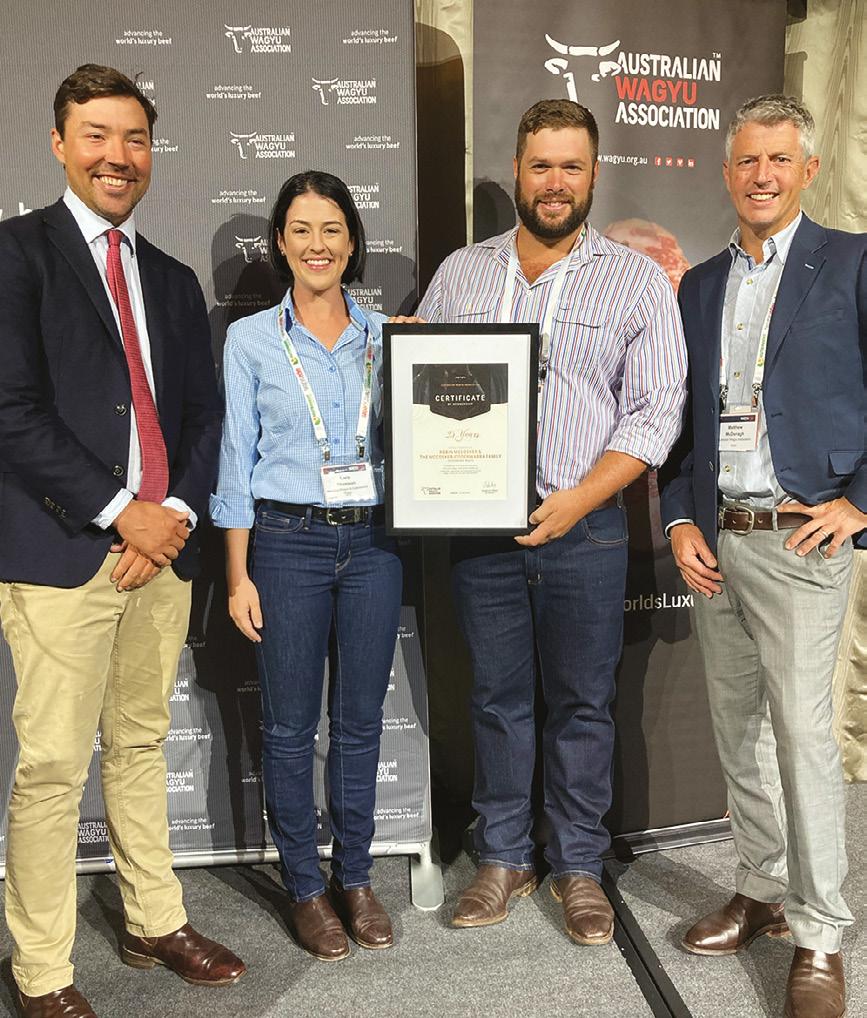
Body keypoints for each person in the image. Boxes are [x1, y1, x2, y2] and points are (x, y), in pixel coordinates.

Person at [0, 65, 245, 1018]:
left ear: (152, 152)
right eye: (97, 135)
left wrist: (170, 512)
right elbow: (11, 412)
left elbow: (202, 419)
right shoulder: (16, 254)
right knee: (54, 769)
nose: (118, 155)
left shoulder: (173, 281)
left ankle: (154, 919)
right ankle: (41, 969)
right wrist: (118, 510)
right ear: (60, 144)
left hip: (162, 553)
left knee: (140, 744)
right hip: (63, 553)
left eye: (134, 138)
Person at [417, 99, 687, 944]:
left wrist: (579, 496)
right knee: (496, 701)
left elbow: (656, 410)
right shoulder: (462, 273)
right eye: (541, 166)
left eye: (571, 166)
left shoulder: (634, 279)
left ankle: (576, 865)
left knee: (581, 705)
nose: (555, 182)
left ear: (594, 174)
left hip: (586, 525)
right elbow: (423, 386)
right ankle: (503, 857)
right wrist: (405, 356)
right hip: (480, 531)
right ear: (516, 171)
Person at [660, 94, 866, 1018]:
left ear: (807, 170)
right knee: (735, 730)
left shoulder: (853, 263)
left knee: (803, 740)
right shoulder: (700, 283)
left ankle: (819, 934)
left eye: (779, 160)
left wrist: (859, 503)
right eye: (746, 160)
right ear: (725, 170)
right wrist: (679, 520)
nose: (761, 175)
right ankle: (760, 887)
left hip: (800, 545)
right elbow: (680, 424)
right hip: (718, 542)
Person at [211, 171, 402, 961]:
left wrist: (438, 362)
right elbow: (235, 461)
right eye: (301, 230)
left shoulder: (390, 337)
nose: (317, 245)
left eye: (331, 229)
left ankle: (354, 877)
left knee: (359, 725)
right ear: (279, 245)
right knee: (289, 729)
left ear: (351, 242)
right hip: (285, 544)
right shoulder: (251, 340)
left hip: (374, 547)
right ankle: (303, 886)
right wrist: (238, 574)